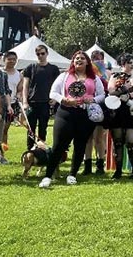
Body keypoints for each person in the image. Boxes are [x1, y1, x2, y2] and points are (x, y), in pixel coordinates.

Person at [38, 51, 105, 188]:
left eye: (82, 58)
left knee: (80, 145)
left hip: (85, 115)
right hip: (65, 113)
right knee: (58, 146)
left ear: (87, 62)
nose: (79, 60)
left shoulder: (94, 78)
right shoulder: (64, 76)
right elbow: (53, 92)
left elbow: (102, 94)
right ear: (73, 61)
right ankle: (48, 176)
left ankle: (72, 175)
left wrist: (92, 99)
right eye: (76, 58)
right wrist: (63, 99)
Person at [104, 53, 133, 180]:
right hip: (117, 111)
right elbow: (111, 90)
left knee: (131, 141)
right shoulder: (114, 76)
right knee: (118, 142)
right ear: (122, 64)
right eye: (129, 63)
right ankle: (118, 170)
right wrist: (123, 89)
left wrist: (129, 95)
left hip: (131, 111)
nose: (132, 65)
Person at [22, 45, 61, 150]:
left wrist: (55, 98)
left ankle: (41, 149)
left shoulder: (54, 69)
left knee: (43, 128)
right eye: (38, 54)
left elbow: (58, 85)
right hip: (32, 102)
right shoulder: (30, 68)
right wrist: (25, 102)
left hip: (46, 103)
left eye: (42, 53)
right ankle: (30, 150)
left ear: (47, 53)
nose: (40, 56)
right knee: (31, 129)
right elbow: (25, 86)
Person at [82, 50, 111, 176]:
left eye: (99, 58)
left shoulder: (107, 73)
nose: (96, 60)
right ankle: (87, 165)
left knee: (99, 138)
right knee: (87, 138)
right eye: (94, 58)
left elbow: (107, 90)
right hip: (85, 107)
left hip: (100, 107)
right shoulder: (85, 73)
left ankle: (100, 165)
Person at [1, 51, 22, 160]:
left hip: (12, 104)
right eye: (9, 59)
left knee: (5, 129)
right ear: (4, 60)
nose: (12, 61)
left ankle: (2, 154)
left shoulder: (19, 74)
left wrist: (19, 95)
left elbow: (19, 89)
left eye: (14, 59)